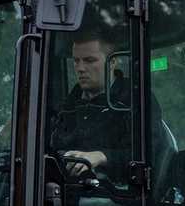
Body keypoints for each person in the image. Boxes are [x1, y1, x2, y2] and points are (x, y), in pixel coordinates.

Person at [51, 29, 132, 181]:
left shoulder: (133, 99)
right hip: (65, 192)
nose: (80, 68)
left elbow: (151, 155)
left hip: (116, 196)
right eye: (76, 61)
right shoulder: (68, 105)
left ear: (112, 62)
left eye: (89, 60)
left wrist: (102, 156)